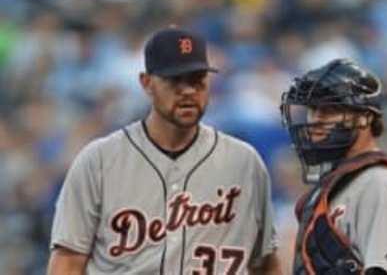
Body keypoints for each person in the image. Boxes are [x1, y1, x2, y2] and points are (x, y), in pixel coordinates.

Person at [47, 26, 281, 275]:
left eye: (197, 80)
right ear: (146, 83)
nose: (188, 91)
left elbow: (266, 263)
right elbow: (67, 263)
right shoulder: (99, 161)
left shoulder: (244, 162)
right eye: (175, 80)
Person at [280, 58, 387, 275]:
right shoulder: (341, 183)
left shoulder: (382, 184)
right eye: (313, 110)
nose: (316, 120)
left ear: (365, 118)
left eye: (329, 110)